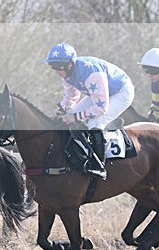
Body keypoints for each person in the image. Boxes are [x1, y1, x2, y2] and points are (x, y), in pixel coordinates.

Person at [44, 42, 135, 180]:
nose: (55, 70)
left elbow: (100, 108)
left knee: (96, 122)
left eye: (58, 66)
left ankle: (98, 166)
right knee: (70, 115)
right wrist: (62, 110)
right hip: (101, 92)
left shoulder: (91, 72)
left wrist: (74, 117)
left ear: (70, 64)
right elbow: (71, 97)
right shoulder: (67, 74)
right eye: (52, 66)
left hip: (121, 92)